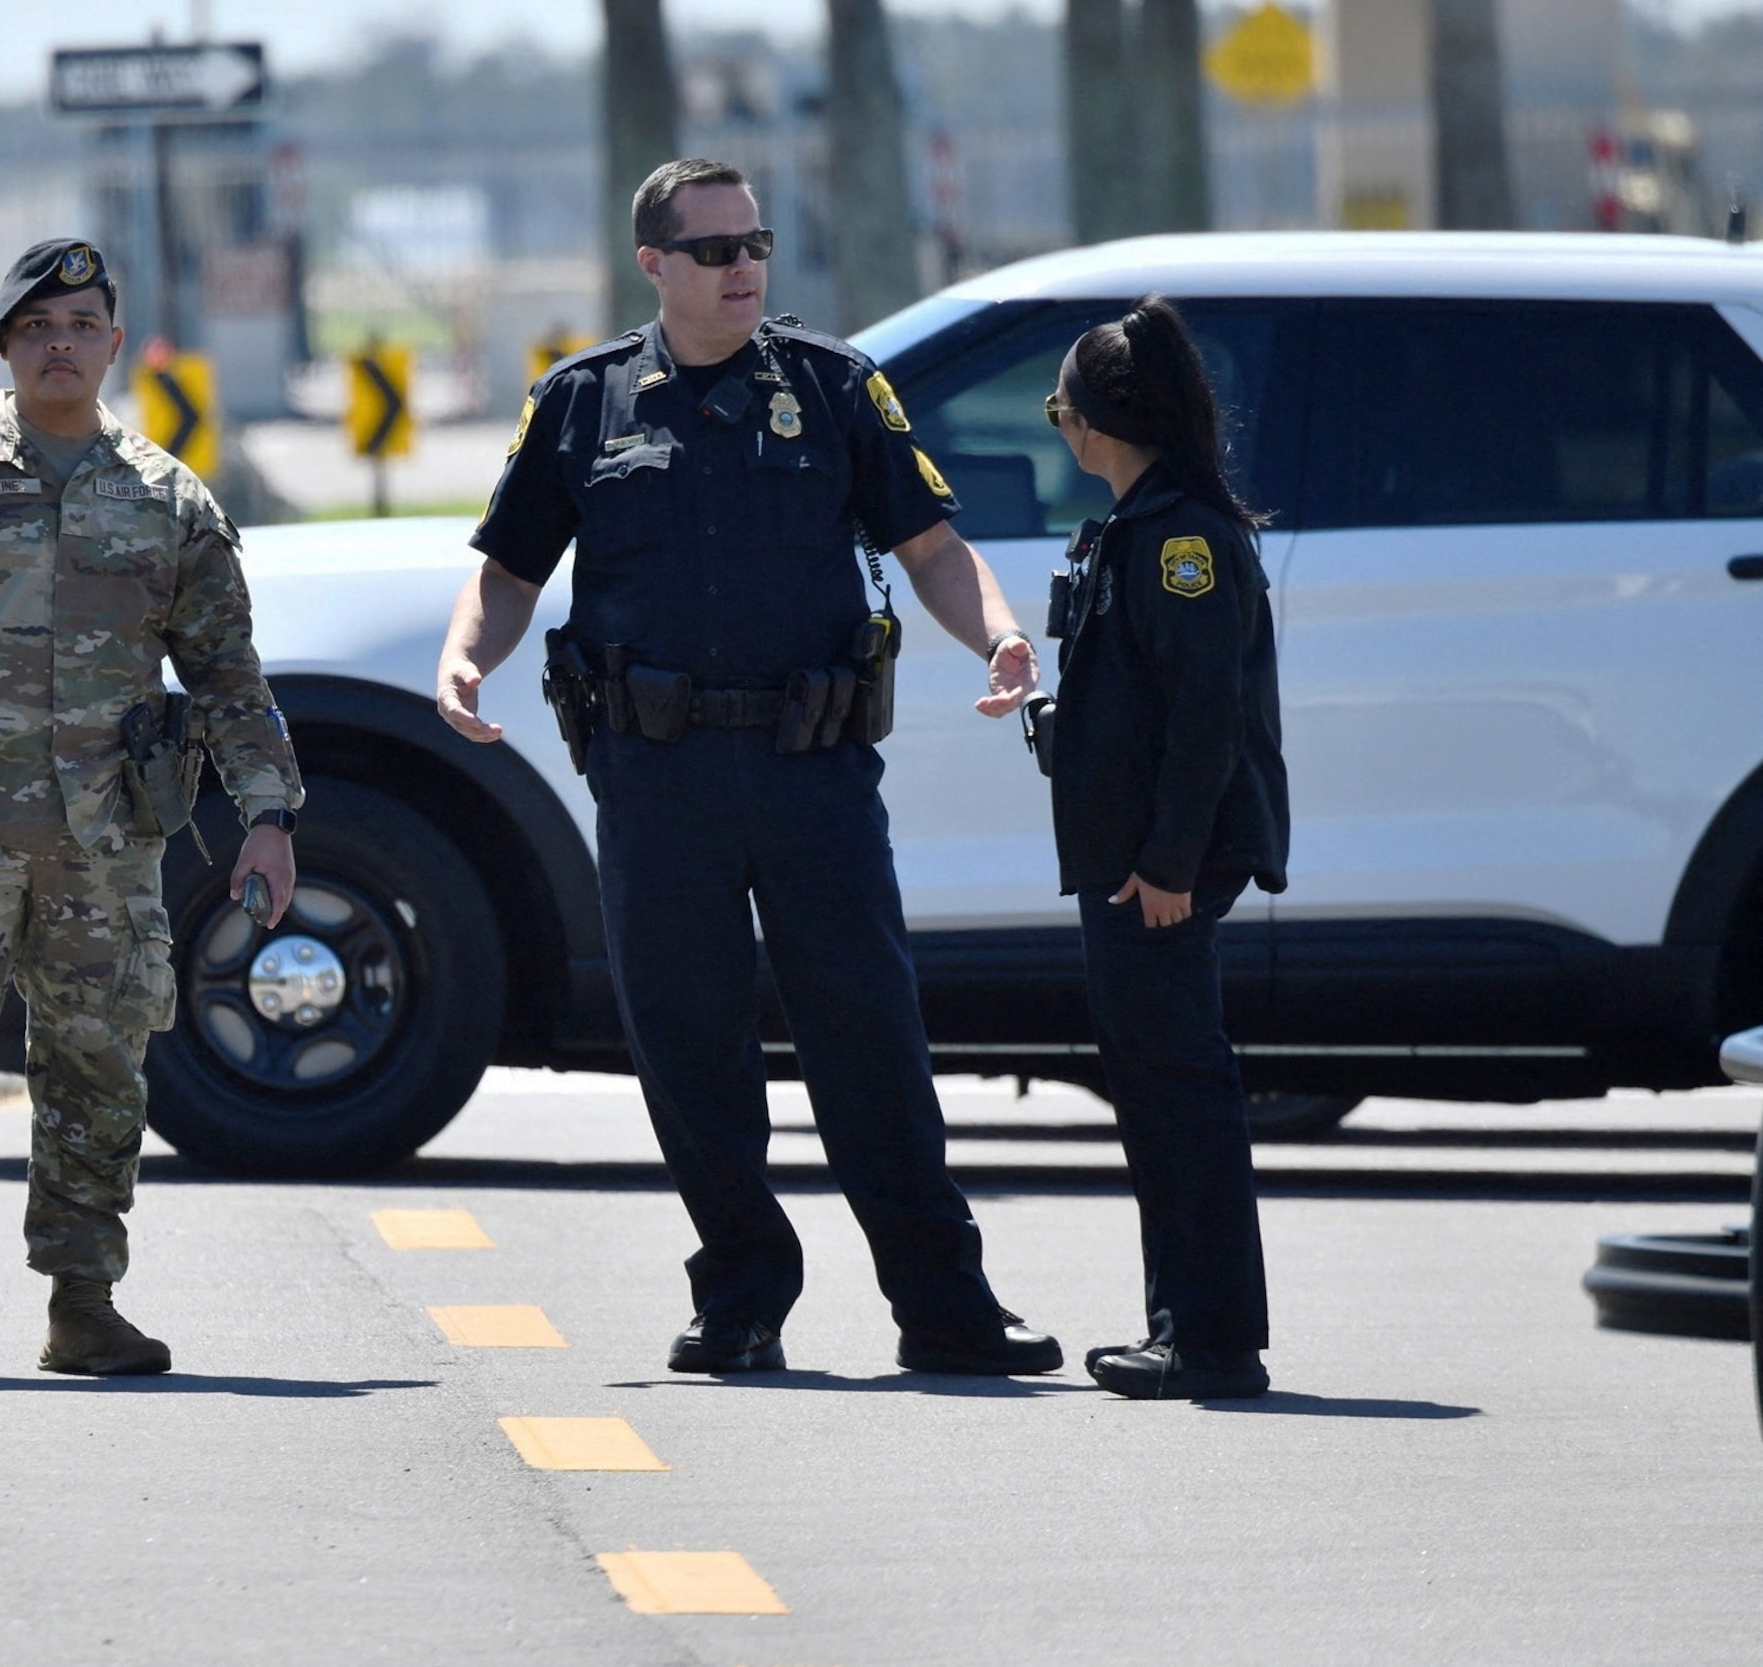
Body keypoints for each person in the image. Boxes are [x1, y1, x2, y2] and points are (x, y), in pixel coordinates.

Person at [435, 158, 1062, 1379]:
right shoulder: (583, 403)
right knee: (688, 1044)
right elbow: (508, 570)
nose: (744, 267)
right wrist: (465, 659)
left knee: (870, 1038)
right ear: (655, 264)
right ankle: (740, 1300)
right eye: (715, 248)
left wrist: (997, 630)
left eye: (756, 242)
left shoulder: (833, 389)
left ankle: (946, 1308)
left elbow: (931, 546)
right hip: (657, 776)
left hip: (811, 769)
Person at [0, 238, 304, 1380]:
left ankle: (84, 1304)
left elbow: (229, 673)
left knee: (99, 1076)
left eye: (82, 322)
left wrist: (269, 814)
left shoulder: (166, 498)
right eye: (37, 325)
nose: (60, 343)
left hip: (106, 844)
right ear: (4, 343)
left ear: (114, 343)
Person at [1039, 296, 1290, 1400]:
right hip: (1135, 850)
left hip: (1157, 864)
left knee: (1177, 1088)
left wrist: (1174, 865)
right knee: (1154, 1085)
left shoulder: (1180, 537)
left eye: (1056, 411)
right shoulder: (1142, 525)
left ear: (1092, 422)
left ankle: (1213, 1335)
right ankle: (1185, 1324)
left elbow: (1204, 717)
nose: (1060, 430)